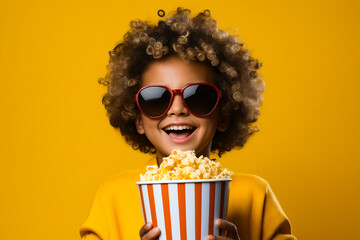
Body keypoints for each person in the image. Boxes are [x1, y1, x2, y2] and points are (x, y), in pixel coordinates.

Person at [80, 8, 296, 240]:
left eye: (198, 97)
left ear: (223, 115)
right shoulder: (111, 197)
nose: (177, 109)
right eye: (156, 99)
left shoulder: (255, 195)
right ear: (138, 120)